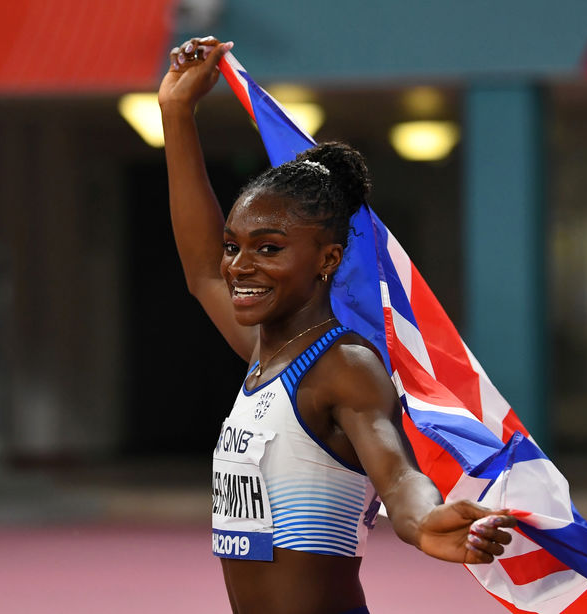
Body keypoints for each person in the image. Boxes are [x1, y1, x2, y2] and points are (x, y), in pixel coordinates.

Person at [158, 36, 517, 614]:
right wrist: (177, 112)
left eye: (269, 248)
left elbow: (396, 474)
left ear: (327, 259)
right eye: (234, 245)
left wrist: (423, 518)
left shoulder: (341, 366)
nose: (240, 265)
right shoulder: (263, 354)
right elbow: (202, 273)